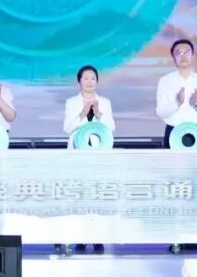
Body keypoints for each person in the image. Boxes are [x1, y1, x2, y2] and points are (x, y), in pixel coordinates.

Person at [155, 39, 197, 254]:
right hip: (174, 133)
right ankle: (175, 237)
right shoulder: (165, 81)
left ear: (193, 55)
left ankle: (195, 235)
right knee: (175, 186)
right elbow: (161, 112)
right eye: (178, 52)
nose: (182, 55)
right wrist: (178, 102)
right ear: (173, 57)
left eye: (186, 52)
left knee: (196, 186)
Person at [61, 65, 115, 254]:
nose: (90, 82)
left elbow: (111, 127)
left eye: (93, 78)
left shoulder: (105, 102)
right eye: (86, 78)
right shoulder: (72, 102)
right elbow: (67, 128)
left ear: (97, 81)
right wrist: (82, 113)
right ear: (79, 82)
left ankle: (98, 237)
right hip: (78, 155)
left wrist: (98, 113)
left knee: (98, 196)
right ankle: (81, 237)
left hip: (99, 155)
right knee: (80, 196)